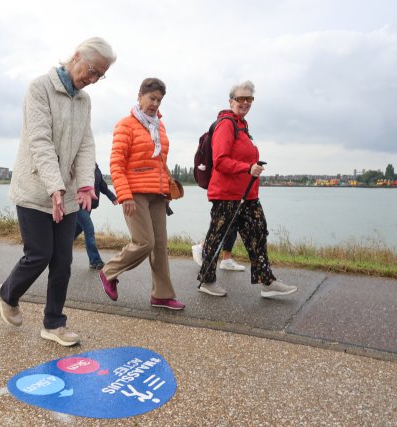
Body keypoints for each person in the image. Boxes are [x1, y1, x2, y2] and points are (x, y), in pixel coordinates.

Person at [0, 37, 116, 347]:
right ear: (75, 56)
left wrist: (86, 183)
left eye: (100, 75)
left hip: (70, 195)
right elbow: (40, 141)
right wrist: (55, 187)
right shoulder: (40, 88)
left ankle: (53, 323)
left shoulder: (84, 101)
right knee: (39, 255)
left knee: (62, 260)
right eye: (91, 70)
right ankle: (7, 293)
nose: (93, 80)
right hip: (35, 188)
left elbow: (86, 145)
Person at [197, 80, 297, 298]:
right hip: (226, 194)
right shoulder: (226, 124)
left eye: (249, 99)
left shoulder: (242, 125)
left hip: (248, 194)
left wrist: (251, 166)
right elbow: (220, 161)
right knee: (217, 236)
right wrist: (247, 167)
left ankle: (267, 282)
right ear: (231, 101)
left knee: (258, 232)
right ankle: (207, 279)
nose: (245, 102)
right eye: (240, 98)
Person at [98, 78, 185, 311]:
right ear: (139, 96)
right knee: (144, 242)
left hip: (157, 192)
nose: (155, 104)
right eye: (151, 98)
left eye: (159, 100)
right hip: (134, 191)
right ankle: (108, 271)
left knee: (159, 246)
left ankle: (162, 295)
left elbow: (161, 162)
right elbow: (116, 163)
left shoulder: (159, 126)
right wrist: (124, 195)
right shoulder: (126, 125)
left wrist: (167, 189)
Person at [74, 163, 118, 270]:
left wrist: (112, 197)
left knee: (75, 231)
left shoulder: (95, 166)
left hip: (89, 205)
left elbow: (102, 185)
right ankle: (95, 260)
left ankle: (56, 248)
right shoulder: (78, 163)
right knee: (89, 229)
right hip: (78, 204)